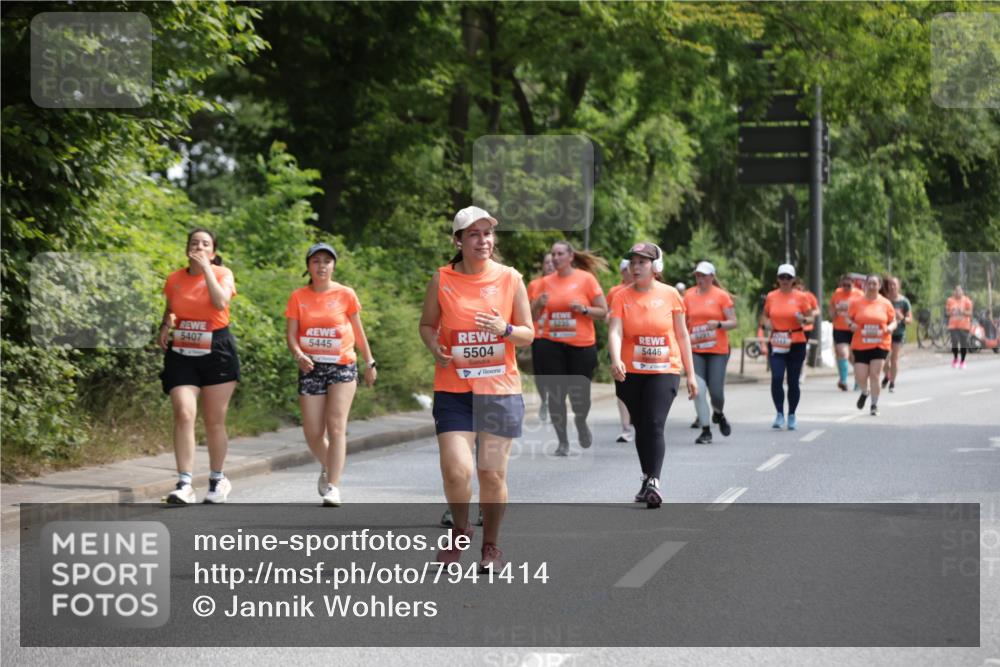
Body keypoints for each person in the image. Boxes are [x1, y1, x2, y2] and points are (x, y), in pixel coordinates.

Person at [419, 206, 533, 571]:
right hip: (454, 389)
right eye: (473, 234)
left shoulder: (510, 278)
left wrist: (505, 329)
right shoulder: (442, 279)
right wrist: (435, 347)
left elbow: (529, 334)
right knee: (456, 471)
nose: (482, 240)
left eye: (487, 233)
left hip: (499, 390)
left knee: (492, 473)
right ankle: (460, 531)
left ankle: (491, 547)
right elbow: (426, 324)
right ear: (458, 240)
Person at [285, 243, 377, 507]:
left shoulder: (345, 294)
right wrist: (298, 354)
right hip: (311, 367)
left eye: (327, 261)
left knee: (336, 426)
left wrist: (369, 362)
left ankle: (333, 486)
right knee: (313, 432)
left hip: (342, 366)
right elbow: (291, 334)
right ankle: (329, 465)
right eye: (316, 261)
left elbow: (358, 332)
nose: (321, 265)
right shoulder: (298, 297)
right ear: (308, 266)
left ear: (333, 265)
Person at [609, 243, 697, 508]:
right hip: (631, 372)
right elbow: (615, 331)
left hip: (664, 370)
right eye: (633, 263)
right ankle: (647, 476)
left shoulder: (671, 295)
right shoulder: (621, 296)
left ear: (656, 267)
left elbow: (682, 335)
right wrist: (615, 360)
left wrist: (690, 374)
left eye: (642, 263)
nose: (635, 268)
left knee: (655, 423)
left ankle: (654, 482)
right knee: (642, 426)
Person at [159, 228, 240, 504]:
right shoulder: (175, 279)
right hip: (182, 348)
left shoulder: (222, 274)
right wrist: (165, 322)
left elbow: (220, 303)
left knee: (214, 420)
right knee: (183, 412)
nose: (199, 247)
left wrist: (207, 269)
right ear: (187, 249)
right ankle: (184, 483)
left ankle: (217, 478)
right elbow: (172, 305)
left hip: (217, 348)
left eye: (206, 244)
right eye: (194, 243)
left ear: (213, 252)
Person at [531, 240, 608, 456]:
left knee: (580, 398)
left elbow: (603, 312)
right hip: (551, 345)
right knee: (556, 395)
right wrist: (537, 304)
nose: (555, 258)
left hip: (581, 346)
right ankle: (562, 441)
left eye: (560, 254)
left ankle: (581, 422)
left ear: (571, 256)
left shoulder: (586, 280)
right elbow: (531, 317)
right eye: (553, 254)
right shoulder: (543, 282)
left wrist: (583, 309)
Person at [683, 261, 737, 444]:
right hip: (695, 350)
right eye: (698, 275)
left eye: (704, 276)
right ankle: (705, 430)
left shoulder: (721, 296)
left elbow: (733, 322)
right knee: (698, 389)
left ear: (712, 277)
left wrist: (719, 324)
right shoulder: (688, 296)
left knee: (716, 392)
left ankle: (719, 414)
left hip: (717, 350)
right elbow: (681, 322)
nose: (700, 279)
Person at [761, 264, 818, 431]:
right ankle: (779, 413)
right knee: (777, 378)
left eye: (788, 278)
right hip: (777, 341)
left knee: (793, 381)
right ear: (778, 279)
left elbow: (810, 319)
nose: (785, 281)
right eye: (782, 277)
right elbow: (764, 316)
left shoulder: (801, 297)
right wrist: (767, 325)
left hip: (796, 341)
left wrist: (804, 320)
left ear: (793, 280)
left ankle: (792, 414)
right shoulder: (771, 296)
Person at [846, 274, 897, 416]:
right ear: (865, 285)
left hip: (880, 343)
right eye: (870, 283)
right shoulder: (857, 302)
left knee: (874, 375)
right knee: (860, 376)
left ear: (879, 286)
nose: (872, 286)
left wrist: (890, 328)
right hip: (861, 344)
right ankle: (865, 391)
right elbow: (848, 319)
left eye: (875, 283)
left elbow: (893, 321)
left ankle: (874, 405)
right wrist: (851, 324)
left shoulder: (886, 303)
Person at [606, 259, 635, 443]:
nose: (628, 272)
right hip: (620, 347)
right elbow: (608, 317)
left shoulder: (649, 290)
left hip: (640, 348)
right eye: (624, 269)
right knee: (623, 388)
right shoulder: (615, 292)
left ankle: (639, 422)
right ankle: (626, 428)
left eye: (630, 268)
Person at [526, 252, 555, 422]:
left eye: (553, 262)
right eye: (547, 262)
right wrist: (537, 303)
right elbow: (526, 313)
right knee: (540, 373)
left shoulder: (565, 284)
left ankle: (553, 401)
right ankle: (544, 399)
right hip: (538, 334)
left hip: (559, 337)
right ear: (543, 266)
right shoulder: (534, 285)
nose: (550, 265)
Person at [829, 274, 864, 391]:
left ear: (853, 284)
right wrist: (837, 311)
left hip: (854, 329)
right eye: (844, 285)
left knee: (855, 357)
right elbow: (832, 314)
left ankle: (858, 381)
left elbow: (864, 312)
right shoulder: (837, 294)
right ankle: (843, 380)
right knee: (843, 353)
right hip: (840, 328)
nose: (846, 287)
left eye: (848, 285)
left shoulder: (859, 294)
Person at [880, 275, 911, 391]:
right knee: (883, 359)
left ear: (899, 286)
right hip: (886, 333)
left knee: (894, 358)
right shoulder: (884, 301)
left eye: (894, 285)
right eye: (890, 285)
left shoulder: (904, 302)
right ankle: (887, 376)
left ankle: (892, 382)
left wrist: (902, 317)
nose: (892, 287)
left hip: (898, 333)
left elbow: (909, 320)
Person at [946, 285, 973, 369]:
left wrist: (963, 311)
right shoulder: (950, 300)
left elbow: (970, 313)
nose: (958, 293)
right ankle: (955, 359)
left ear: (962, 292)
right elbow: (947, 313)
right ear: (954, 292)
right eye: (956, 291)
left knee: (963, 344)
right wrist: (952, 312)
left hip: (964, 326)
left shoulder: (967, 300)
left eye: (960, 291)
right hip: (953, 325)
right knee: (954, 342)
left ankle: (962, 361)